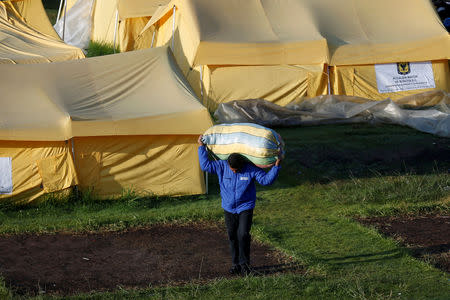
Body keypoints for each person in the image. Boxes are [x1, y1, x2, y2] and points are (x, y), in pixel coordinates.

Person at [197, 135, 281, 276]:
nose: (234, 171)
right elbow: (205, 165)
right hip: (228, 207)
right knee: (232, 236)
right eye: (232, 169)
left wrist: (276, 167)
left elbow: (266, 180)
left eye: (236, 169)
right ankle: (235, 264)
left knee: (243, 235)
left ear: (242, 165)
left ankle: (245, 265)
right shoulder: (222, 166)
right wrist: (201, 147)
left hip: (245, 207)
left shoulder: (250, 168)